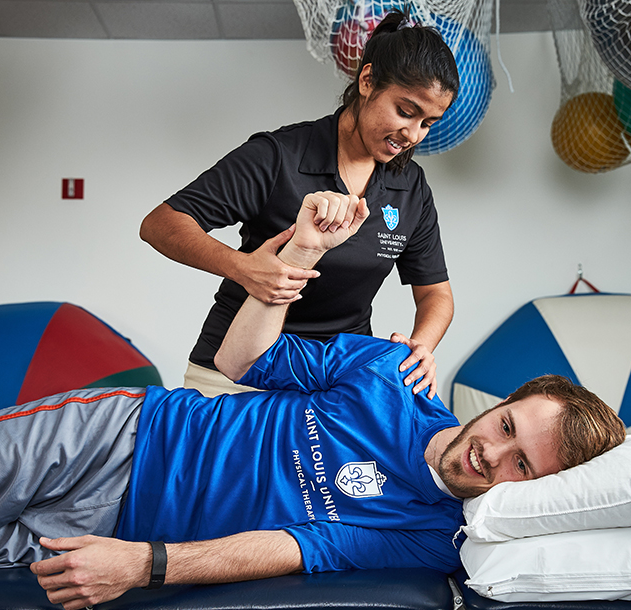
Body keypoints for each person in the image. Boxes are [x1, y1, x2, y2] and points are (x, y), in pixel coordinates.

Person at [0, 193, 626, 610]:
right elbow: (240, 358)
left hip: (117, 529)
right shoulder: (392, 372)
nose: (493, 452)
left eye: (523, 466)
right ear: (506, 402)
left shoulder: (433, 535)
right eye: (509, 428)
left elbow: (293, 549)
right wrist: (298, 256)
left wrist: (143, 564)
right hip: (120, 434)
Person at [140, 10, 459, 399]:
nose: (412, 134)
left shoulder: (409, 187)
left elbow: (435, 293)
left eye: (428, 123)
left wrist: (421, 346)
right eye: (405, 111)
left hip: (332, 378)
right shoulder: (279, 157)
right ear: (367, 80)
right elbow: (161, 223)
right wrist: (244, 268)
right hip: (235, 371)